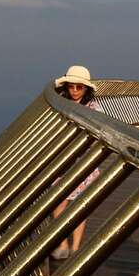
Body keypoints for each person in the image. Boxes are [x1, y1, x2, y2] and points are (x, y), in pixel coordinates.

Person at [50, 66, 102, 260]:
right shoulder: (60, 104)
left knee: (80, 206)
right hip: (64, 161)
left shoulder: (94, 109)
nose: (74, 91)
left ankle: (76, 247)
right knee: (59, 202)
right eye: (71, 86)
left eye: (79, 87)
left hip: (84, 163)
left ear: (86, 89)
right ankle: (63, 244)